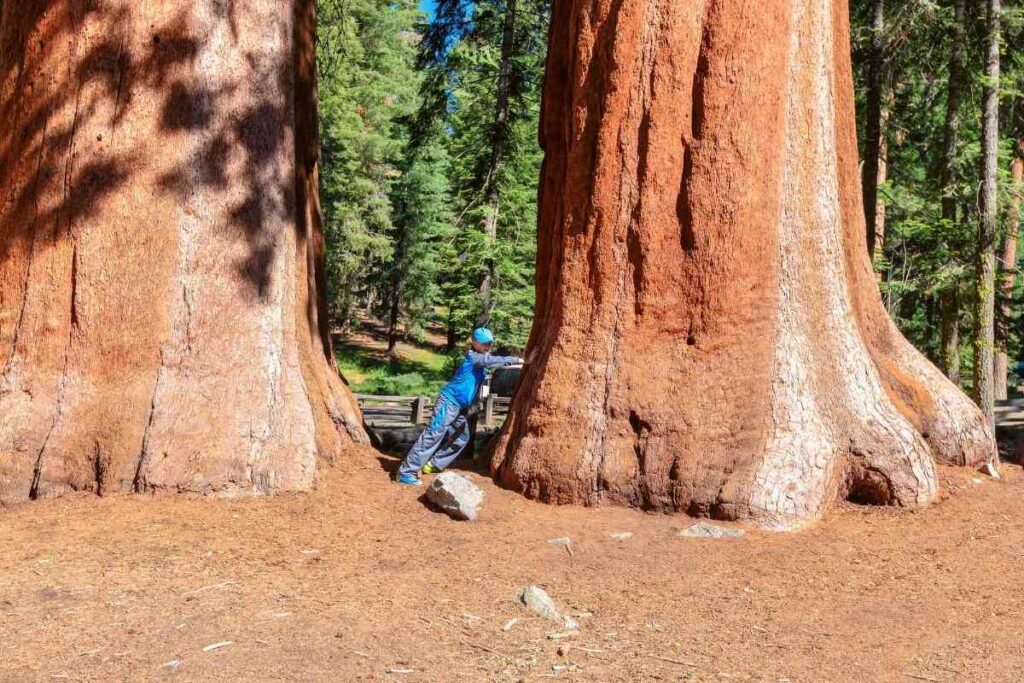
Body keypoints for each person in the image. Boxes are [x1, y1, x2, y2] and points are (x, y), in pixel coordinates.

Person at [395, 327, 524, 486]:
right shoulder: (474, 358)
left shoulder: (482, 357)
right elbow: (491, 361)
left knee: (462, 436)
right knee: (433, 434)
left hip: (459, 407)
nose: (488, 346)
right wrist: (517, 360)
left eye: (490, 343)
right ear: (475, 343)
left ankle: (434, 464)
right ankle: (406, 472)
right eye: (485, 344)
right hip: (448, 403)